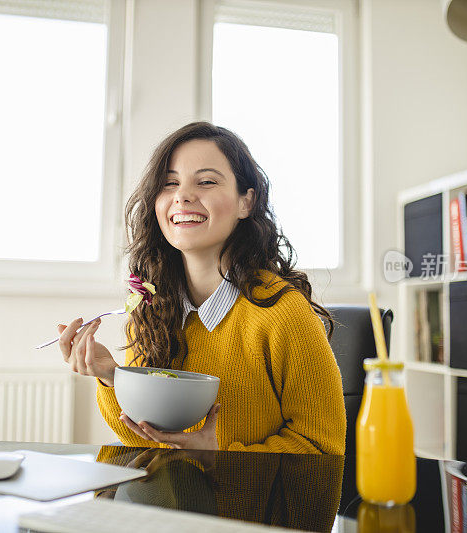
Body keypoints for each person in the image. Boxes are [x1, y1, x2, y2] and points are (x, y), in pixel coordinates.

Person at [57, 121, 346, 453]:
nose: (183, 195)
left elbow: (322, 448)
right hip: (169, 500)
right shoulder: (152, 307)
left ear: (246, 203)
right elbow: (148, 439)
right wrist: (112, 377)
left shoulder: (284, 313)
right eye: (169, 183)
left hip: (248, 505)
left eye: (206, 182)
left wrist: (216, 459)